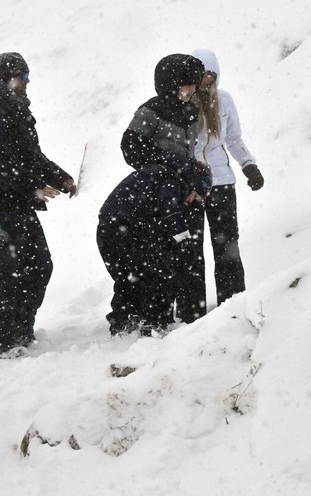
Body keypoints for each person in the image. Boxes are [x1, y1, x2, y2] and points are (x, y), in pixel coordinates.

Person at [0, 52, 76, 359]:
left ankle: (21, 331)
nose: (27, 83)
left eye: (27, 77)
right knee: (8, 271)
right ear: (8, 79)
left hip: (19, 201)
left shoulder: (16, 108)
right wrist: (35, 185)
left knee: (39, 266)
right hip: (0, 203)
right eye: (22, 78)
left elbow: (31, 156)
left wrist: (61, 177)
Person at [120, 53, 210, 323]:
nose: (193, 90)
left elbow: (190, 155)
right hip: (159, 197)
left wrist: (197, 181)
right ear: (170, 84)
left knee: (192, 256)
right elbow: (130, 148)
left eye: (194, 85)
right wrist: (164, 168)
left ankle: (194, 318)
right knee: (162, 258)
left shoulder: (192, 112)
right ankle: (157, 318)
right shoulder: (150, 111)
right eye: (187, 84)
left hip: (187, 194)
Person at [188, 48, 263, 309]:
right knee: (191, 250)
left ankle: (233, 304)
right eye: (202, 75)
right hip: (193, 186)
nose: (206, 81)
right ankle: (192, 310)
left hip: (222, 183)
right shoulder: (183, 100)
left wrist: (248, 165)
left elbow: (233, 138)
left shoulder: (225, 101)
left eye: (211, 76)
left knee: (228, 246)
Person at [98, 163, 210, 336]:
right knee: (159, 275)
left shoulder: (156, 172)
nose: (192, 200)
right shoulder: (172, 179)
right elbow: (168, 207)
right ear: (195, 182)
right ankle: (155, 326)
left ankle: (123, 325)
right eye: (197, 194)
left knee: (127, 278)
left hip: (106, 228)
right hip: (127, 229)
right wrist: (183, 237)